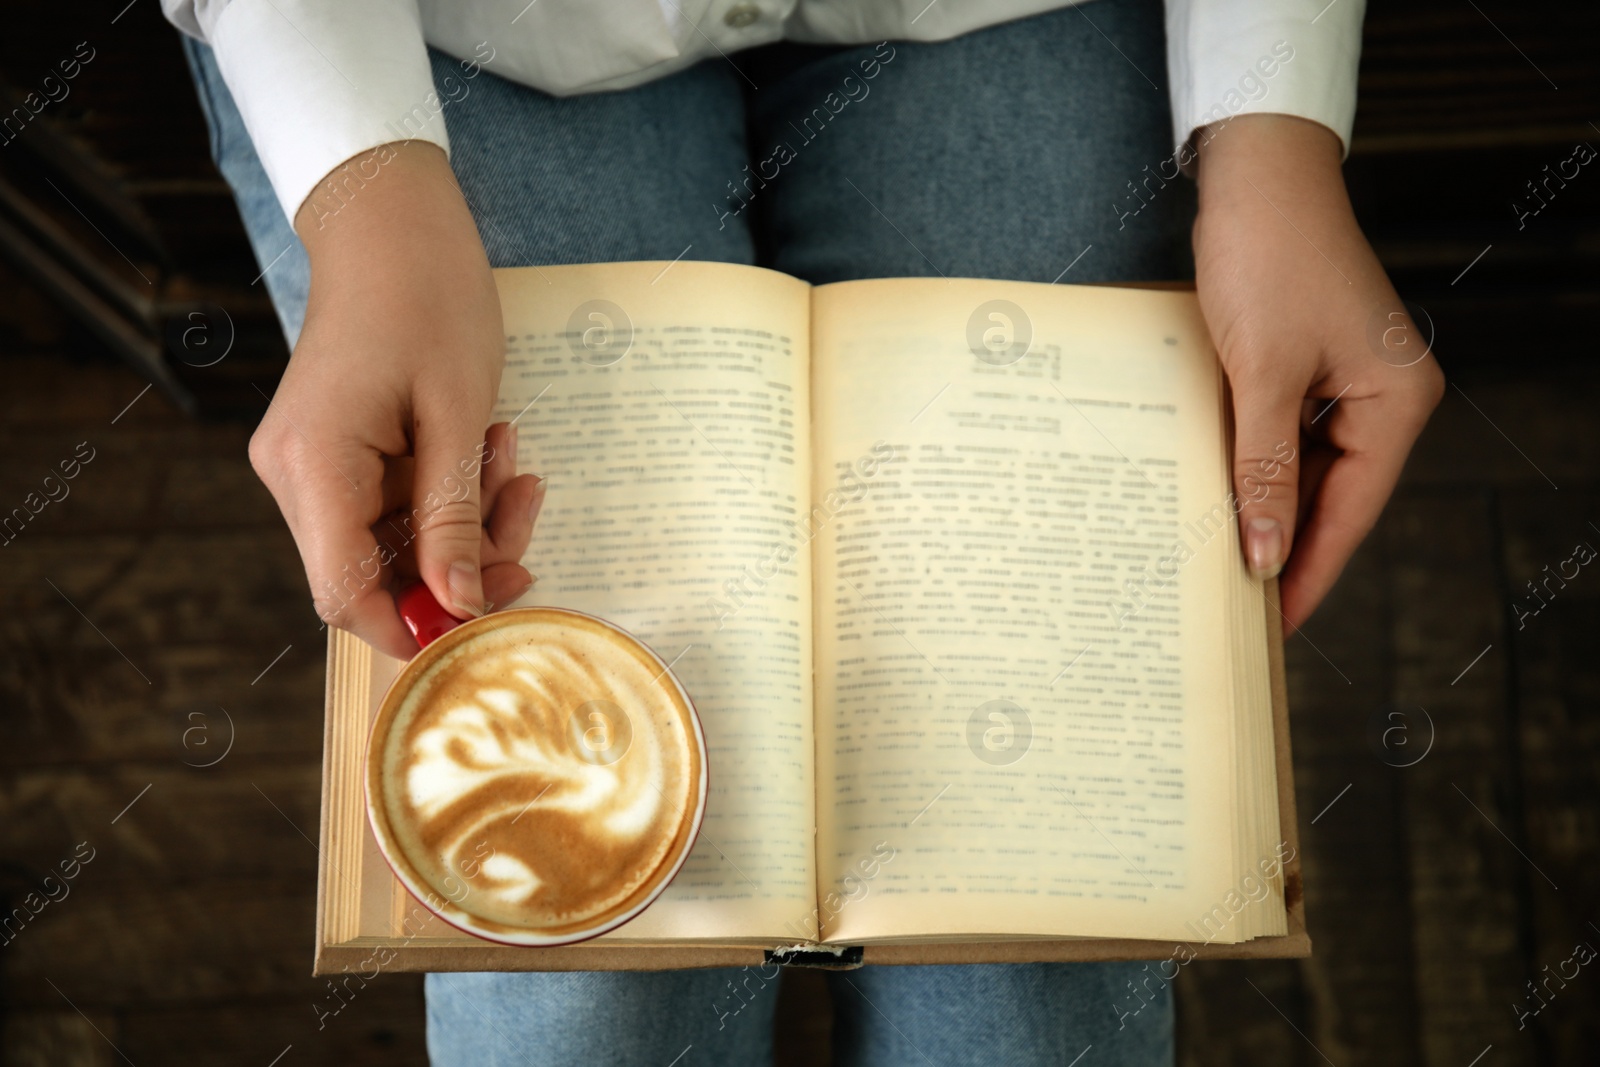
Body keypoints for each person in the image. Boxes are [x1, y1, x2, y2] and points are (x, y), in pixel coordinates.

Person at [166, 0, 1442, 1062]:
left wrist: (1275, 131)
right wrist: (368, 200)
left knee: (1032, 975)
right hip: (459, 39)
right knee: (595, 994)